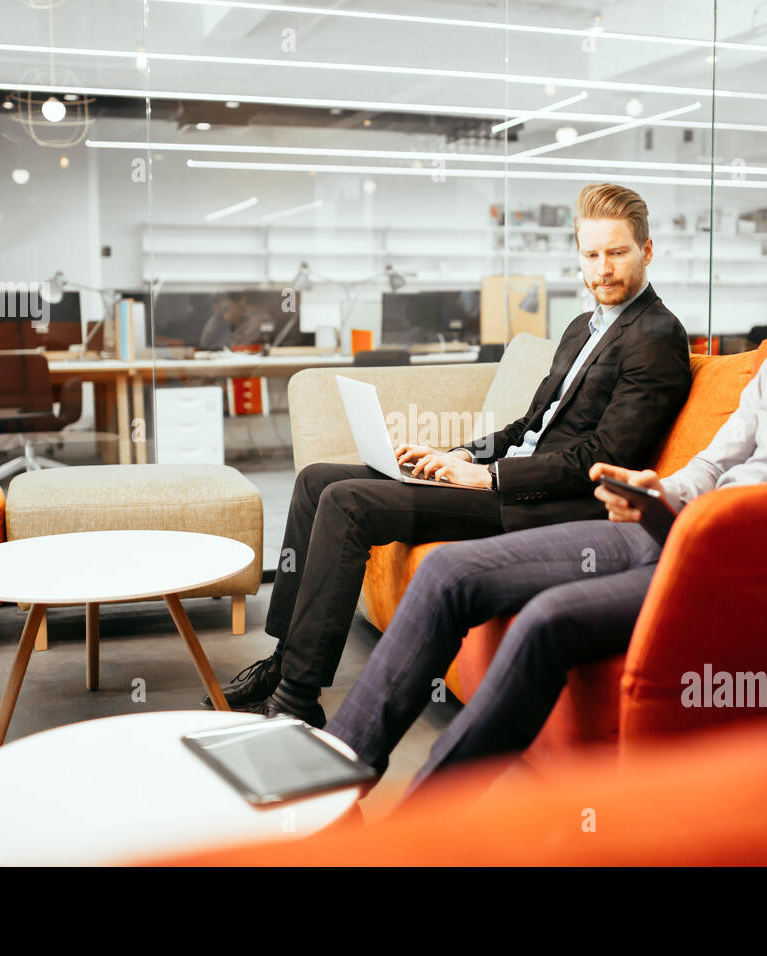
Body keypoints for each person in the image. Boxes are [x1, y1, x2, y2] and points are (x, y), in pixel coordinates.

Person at [321, 218, 767, 798]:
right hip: (672, 530)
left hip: (741, 574)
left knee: (548, 619)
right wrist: (657, 489)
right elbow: (716, 463)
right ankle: (336, 779)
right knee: (449, 575)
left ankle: (421, 821)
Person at [218, 183, 694, 726]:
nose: (603, 269)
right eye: (591, 254)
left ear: (647, 251)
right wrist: (455, 454)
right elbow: (529, 426)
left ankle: (297, 700)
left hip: (543, 502)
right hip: (502, 477)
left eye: (617, 252)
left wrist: (485, 477)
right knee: (315, 480)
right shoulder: (582, 327)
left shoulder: (656, 335)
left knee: (347, 502)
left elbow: (604, 456)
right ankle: (282, 662)